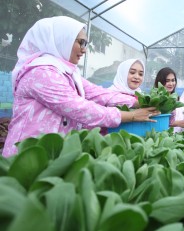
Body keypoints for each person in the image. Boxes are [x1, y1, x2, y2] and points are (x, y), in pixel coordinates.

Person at [3, 16, 159, 157]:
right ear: (62, 39)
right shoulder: (41, 72)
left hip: (52, 154)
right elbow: (80, 108)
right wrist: (131, 115)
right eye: (80, 42)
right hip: (26, 155)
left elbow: (99, 93)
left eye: (86, 43)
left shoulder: (68, 72)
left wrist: (141, 101)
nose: (84, 49)